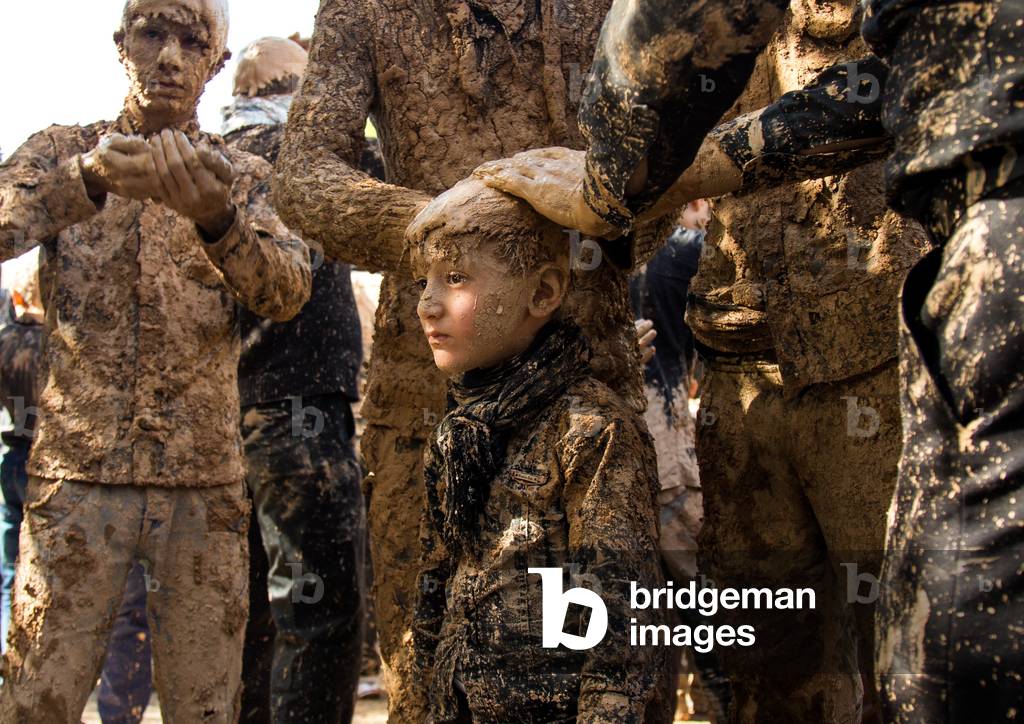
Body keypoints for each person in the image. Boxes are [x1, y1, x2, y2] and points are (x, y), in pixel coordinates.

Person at [477, 0, 1023, 721]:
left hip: (964, 283)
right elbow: (881, 89)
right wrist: (696, 168)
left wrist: (610, 183)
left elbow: (668, 32)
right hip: (754, 364)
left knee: (953, 655)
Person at [273, 3, 674, 719]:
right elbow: (303, 172)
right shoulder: (367, 9)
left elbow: (661, 151)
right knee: (432, 669)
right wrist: (452, 235)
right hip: (427, 395)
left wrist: (577, 230)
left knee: (600, 651)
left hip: (584, 377)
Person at [0, 0, 312, 720]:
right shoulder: (63, 149)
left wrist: (219, 220)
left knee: (205, 704)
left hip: (200, 487)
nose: (170, 56)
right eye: (152, 34)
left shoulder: (241, 175)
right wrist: (84, 180)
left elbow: (289, 290)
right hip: (76, 480)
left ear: (217, 64)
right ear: (121, 46)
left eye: (191, 40)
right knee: (37, 697)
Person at [406, 178, 665, 722]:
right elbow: (432, 597)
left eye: (454, 278)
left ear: (543, 292)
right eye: (424, 281)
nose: (427, 304)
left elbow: (622, 622)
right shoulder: (457, 433)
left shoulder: (589, 429)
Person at [223, 36, 369, 723]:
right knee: (322, 617)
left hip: (233, 424)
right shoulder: (294, 156)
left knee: (257, 617)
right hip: (298, 418)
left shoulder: (210, 160)